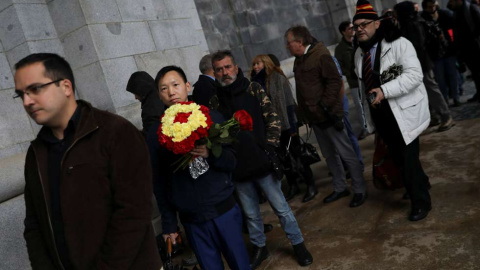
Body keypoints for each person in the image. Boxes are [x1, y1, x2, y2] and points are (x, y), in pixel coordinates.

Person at [15, 53, 160, 269]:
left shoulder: (116, 132)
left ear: (65, 87)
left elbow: (133, 214)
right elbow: (34, 225)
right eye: (21, 94)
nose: (27, 101)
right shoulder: (35, 154)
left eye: (35, 89)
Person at [211, 50, 313, 269]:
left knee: (281, 208)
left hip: (262, 162)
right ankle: (260, 247)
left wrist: (268, 147)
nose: (224, 72)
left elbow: (273, 117)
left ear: (236, 68)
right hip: (238, 168)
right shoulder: (214, 101)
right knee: (250, 214)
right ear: (215, 72)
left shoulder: (253, 89)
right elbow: (215, 133)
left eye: (228, 67)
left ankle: (298, 244)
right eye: (219, 69)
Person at [146, 65, 250, 270]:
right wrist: (169, 224)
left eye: (175, 85)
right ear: (159, 95)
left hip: (223, 210)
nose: (171, 92)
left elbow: (232, 161)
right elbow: (159, 181)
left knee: (240, 264)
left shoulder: (210, 117)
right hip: (192, 219)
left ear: (186, 86)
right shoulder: (155, 134)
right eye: (163, 88)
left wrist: (211, 154)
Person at [352, 0, 432, 221]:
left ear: (377, 24)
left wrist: (384, 90)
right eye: (356, 26)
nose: (359, 29)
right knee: (399, 157)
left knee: (408, 159)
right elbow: (362, 87)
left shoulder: (399, 44)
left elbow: (415, 76)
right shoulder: (359, 53)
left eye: (364, 24)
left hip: (405, 112)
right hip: (382, 116)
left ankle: (421, 202)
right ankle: (420, 182)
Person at [284, 25, 367, 208]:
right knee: (330, 155)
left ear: (299, 42)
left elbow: (335, 82)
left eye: (289, 43)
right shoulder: (299, 59)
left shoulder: (320, 55)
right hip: (315, 118)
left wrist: (327, 107)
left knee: (347, 154)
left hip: (329, 116)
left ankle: (360, 189)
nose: (287, 47)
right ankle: (340, 187)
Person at [249, 54, 317, 203]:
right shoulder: (254, 84)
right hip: (269, 128)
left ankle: (311, 184)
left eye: (258, 63)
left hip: (286, 125)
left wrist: (292, 127)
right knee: (282, 159)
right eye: (254, 64)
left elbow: (288, 105)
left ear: (266, 63)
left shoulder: (278, 78)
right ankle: (293, 185)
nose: (255, 67)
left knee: (298, 155)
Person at [394, 1, 455, 132]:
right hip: (418, 63)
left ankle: (446, 116)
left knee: (431, 89)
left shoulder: (413, 24)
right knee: (424, 91)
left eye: (397, 13)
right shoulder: (408, 23)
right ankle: (434, 116)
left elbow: (417, 45)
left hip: (422, 63)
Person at [421, 0, 461, 107]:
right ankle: (445, 99)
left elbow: (452, 30)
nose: (432, 9)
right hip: (436, 55)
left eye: (433, 6)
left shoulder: (444, 15)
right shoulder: (424, 19)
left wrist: (452, 43)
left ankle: (456, 97)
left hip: (449, 51)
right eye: (430, 7)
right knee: (440, 78)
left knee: (453, 75)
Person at [335, 21, 369, 140]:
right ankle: (365, 128)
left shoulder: (359, 41)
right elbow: (339, 66)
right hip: (354, 82)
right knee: (359, 106)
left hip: (367, 78)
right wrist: (350, 73)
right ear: (343, 32)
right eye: (350, 28)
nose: (353, 30)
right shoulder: (340, 49)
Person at [447, 0, 480, 102]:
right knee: (475, 72)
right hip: (466, 48)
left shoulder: (471, 8)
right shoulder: (456, 11)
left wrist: (474, 38)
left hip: (476, 46)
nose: (450, 2)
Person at [126, 71, 165, 135]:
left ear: (142, 90)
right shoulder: (160, 95)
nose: (135, 97)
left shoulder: (150, 109)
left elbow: (151, 135)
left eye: (136, 93)